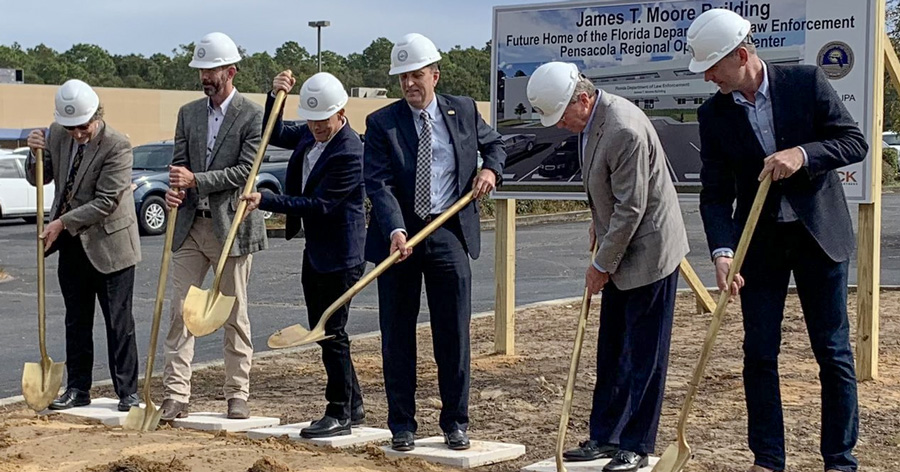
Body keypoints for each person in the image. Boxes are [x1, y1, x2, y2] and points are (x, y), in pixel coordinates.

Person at [686, 9, 867, 472]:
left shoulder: (805, 83)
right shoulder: (714, 114)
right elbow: (715, 194)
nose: (708, 77)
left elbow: (853, 142)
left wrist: (802, 154)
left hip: (818, 236)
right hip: (759, 246)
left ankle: (840, 461)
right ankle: (768, 459)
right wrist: (723, 252)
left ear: (742, 55)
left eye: (713, 67)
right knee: (759, 353)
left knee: (832, 352)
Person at [527, 62, 689, 472]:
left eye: (563, 114)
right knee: (612, 347)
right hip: (619, 242)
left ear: (584, 98)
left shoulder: (622, 130)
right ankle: (605, 435)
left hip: (651, 251)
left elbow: (632, 209)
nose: (560, 124)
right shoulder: (589, 122)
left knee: (645, 353)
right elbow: (612, 194)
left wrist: (600, 265)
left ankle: (636, 443)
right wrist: (598, 225)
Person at [363, 33, 506, 451]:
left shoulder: (461, 110)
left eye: (417, 75)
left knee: (453, 333)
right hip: (399, 238)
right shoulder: (381, 123)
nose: (410, 84)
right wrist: (395, 229)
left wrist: (490, 171)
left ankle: (455, 422)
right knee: (397, 333)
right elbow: (379, 182)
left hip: (448, 231)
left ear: (435, 75)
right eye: (403, 77)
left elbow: (495, 145)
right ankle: (402, 425)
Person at [242, 71, 367, 438]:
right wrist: (275, 96)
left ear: (341, 112)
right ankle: (354, 404)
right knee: (325, 331)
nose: (316, 127)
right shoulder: (310, 135)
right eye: (311, 119)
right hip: (316, 251)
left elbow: (321, 204)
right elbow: (275, 132)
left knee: (331, 332)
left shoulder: (349, 151)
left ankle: (339, 412)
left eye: (323, 120)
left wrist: (267, 200)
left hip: (342, 254)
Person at [160, 32, 266, 421]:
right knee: (179, 312)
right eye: (202, 70)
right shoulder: (188, 113)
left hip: (232, 229)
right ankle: (176, 394)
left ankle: (238, 393)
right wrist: (175, 187)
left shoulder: (253, 115)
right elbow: (178, 163)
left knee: (234, 315)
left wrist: (195, 181)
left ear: (231, 70)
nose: (205, 76)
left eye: (212, 70)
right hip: (190, 225)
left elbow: (244, 172)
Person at [25, 79, 141, 412]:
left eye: (83, 126)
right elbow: (41, 178)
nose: (77, 133)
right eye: (71, 127)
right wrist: (34, 153)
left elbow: (106, 201)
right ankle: (78, 388)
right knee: (76, 320)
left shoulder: (117, 145)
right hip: (73, 246)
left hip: (111, 245)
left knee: (119, 323)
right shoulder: (57, 133)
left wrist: (61, 222)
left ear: (96, 114)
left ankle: (127, 392)